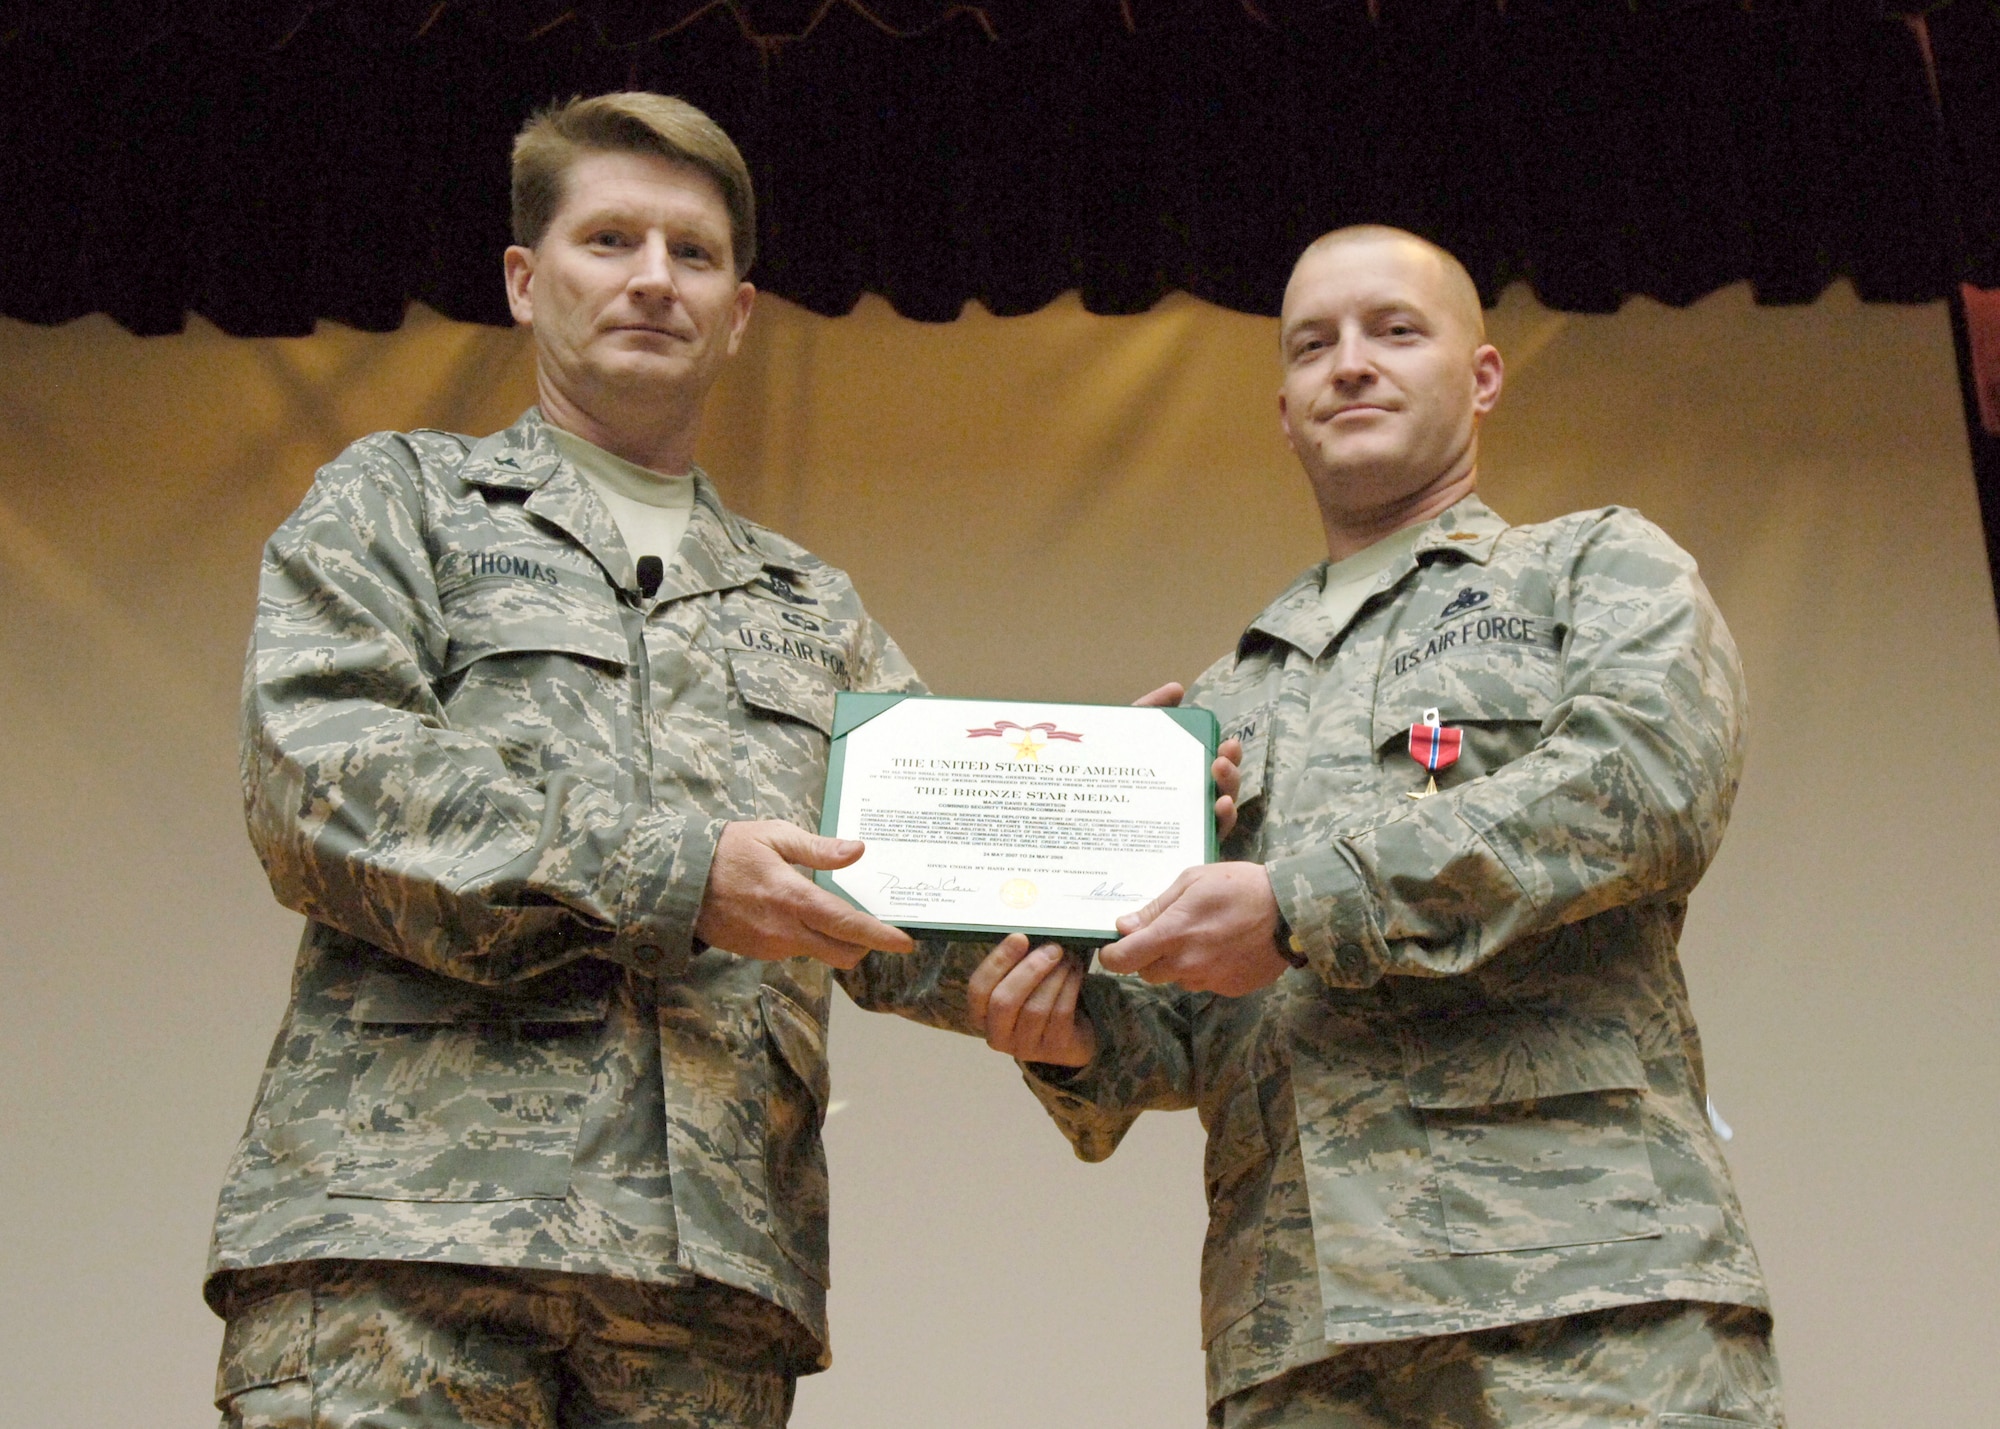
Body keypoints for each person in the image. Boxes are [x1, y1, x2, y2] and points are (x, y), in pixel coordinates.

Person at [203, 91, 1238, 1428]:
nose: (652, 279)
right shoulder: (397, 500)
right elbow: (320, 781)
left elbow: (908, 902)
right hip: (409, 1250)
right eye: (610, 241)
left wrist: (1109, 871)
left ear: (739, 311)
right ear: (524, 281)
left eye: (692, 254)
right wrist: (683, 873)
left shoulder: (813, 612)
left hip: (706, 1299)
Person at [967, 227, 1786, 1428]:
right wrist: (1068, 1018)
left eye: (1393, 331)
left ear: (1483, 374)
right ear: (1284, 409)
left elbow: (1641, 787)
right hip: (1299, 1337)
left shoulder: (1592, 567)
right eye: (1312, 345)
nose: (1348, 364)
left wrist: (1299, 903)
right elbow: (1191, 1034)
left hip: (1583, 1293)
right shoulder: (1214, 707)